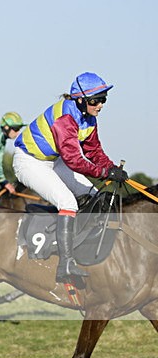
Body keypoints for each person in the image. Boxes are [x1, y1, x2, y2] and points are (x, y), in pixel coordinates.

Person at [13, 71, 127, 282]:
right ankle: (65, 264)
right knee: (68, 202)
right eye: (96, 100)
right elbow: (75, 161)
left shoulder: (89, 117)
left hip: (53, 161)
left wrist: (112, 169)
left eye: (103, 99)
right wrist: (104, 172)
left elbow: (94, 151)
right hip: (29, 162)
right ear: (81, 99)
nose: (100, 105)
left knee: (94, 195)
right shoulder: (65, 119)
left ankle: (86, 248)